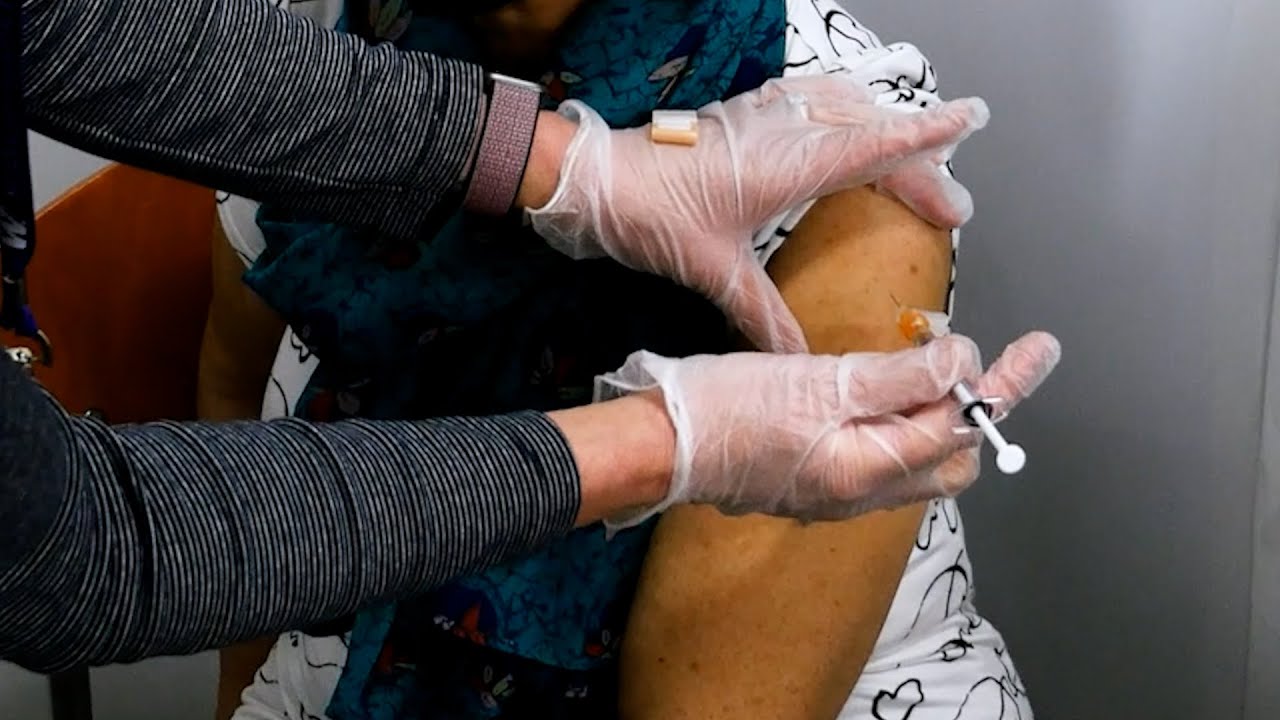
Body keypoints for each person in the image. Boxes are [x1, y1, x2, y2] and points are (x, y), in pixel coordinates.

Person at [0, 0, 1060, 680]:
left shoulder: (828, 128)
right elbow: (86, 539)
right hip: (324, 617)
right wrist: (669, 440)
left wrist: (571, 171)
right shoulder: (323, 48)